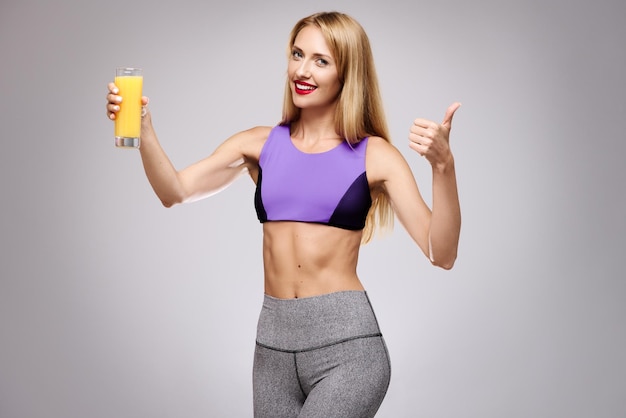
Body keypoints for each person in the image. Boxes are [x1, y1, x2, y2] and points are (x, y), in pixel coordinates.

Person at [106, 11, 461, 418]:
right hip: (272, 351)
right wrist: (144, 129)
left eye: (320, 60)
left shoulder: (376, 155)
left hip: (347, 349)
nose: (302, 70)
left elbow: (442, 252)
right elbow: (175, 191)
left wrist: (443, 166)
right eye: (297, 54)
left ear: (348, 74)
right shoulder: (258, 144)